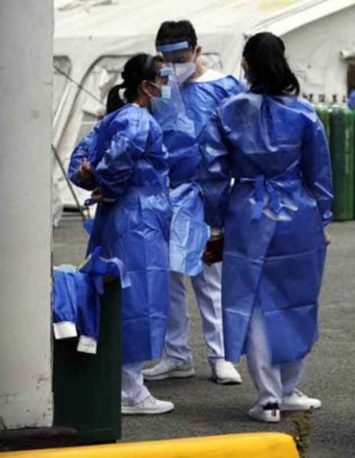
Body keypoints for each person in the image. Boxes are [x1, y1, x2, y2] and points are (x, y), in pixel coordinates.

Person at [198, 32, 333, 423]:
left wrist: (217, 226)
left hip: (248, 212)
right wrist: (323, 217)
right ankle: (287, 388)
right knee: (297, 301)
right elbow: (319, 173)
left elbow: (211, 173)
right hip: (299, 212)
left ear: (247, 63)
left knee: (254, 302)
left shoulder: (228, 110)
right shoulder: (304, 112)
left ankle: (269, 397)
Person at [68, 53, 174, 415]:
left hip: (120, 219)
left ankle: (127, 383)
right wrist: (106, 183)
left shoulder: (113, 118)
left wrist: (91, 178)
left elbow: (80, 160)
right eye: (162, 80)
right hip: (138, 221)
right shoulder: (138, 120)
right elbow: (119, 160)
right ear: (146, 86)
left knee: (120, 297)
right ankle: (131, 390)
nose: (167, 88)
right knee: (138, 300)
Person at [142, 20, 245, 385]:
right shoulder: (161, 89)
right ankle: (177, 354)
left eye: (181, 58)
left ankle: (222, 356)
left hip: (209, 194)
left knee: (209, 277)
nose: (173, 66)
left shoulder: (224, 88)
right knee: (168, 279)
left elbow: (240, 140)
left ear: (198, 51)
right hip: (166, 193)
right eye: (166, 60)